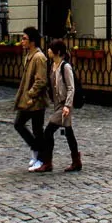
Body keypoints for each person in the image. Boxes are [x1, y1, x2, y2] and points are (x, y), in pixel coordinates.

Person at [32, 39, 82, 174]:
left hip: (64, 105)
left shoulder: (65, 67)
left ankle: (47, 162)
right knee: (69, 133)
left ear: (57, 52)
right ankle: (76, 161)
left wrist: (67, 105)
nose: (48, 51)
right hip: (57, 104)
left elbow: (71, 88)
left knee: (48, 131)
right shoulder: (52, 65)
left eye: (50, 49)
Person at [13, 26, 48, 170]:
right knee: (19, 124)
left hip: (36, 101)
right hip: (28, 99)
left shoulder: (39, 57)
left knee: (37, 129)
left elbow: (41, 80)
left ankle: (41, 157)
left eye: (24, 38)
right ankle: (36, 150)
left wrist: (31, 94)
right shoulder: (29, 56)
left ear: (32, 41)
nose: (22, 41)